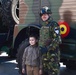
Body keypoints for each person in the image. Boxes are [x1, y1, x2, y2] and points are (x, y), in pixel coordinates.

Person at [39, 6, 62, 75]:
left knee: (53, 72)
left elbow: (58, 39)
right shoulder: (43, 26)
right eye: (42, 15)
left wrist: (48, 48)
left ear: (49, 15)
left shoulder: (54, 25)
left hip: (52, 55)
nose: (44, 16)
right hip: (45, 55)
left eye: (45, 15)